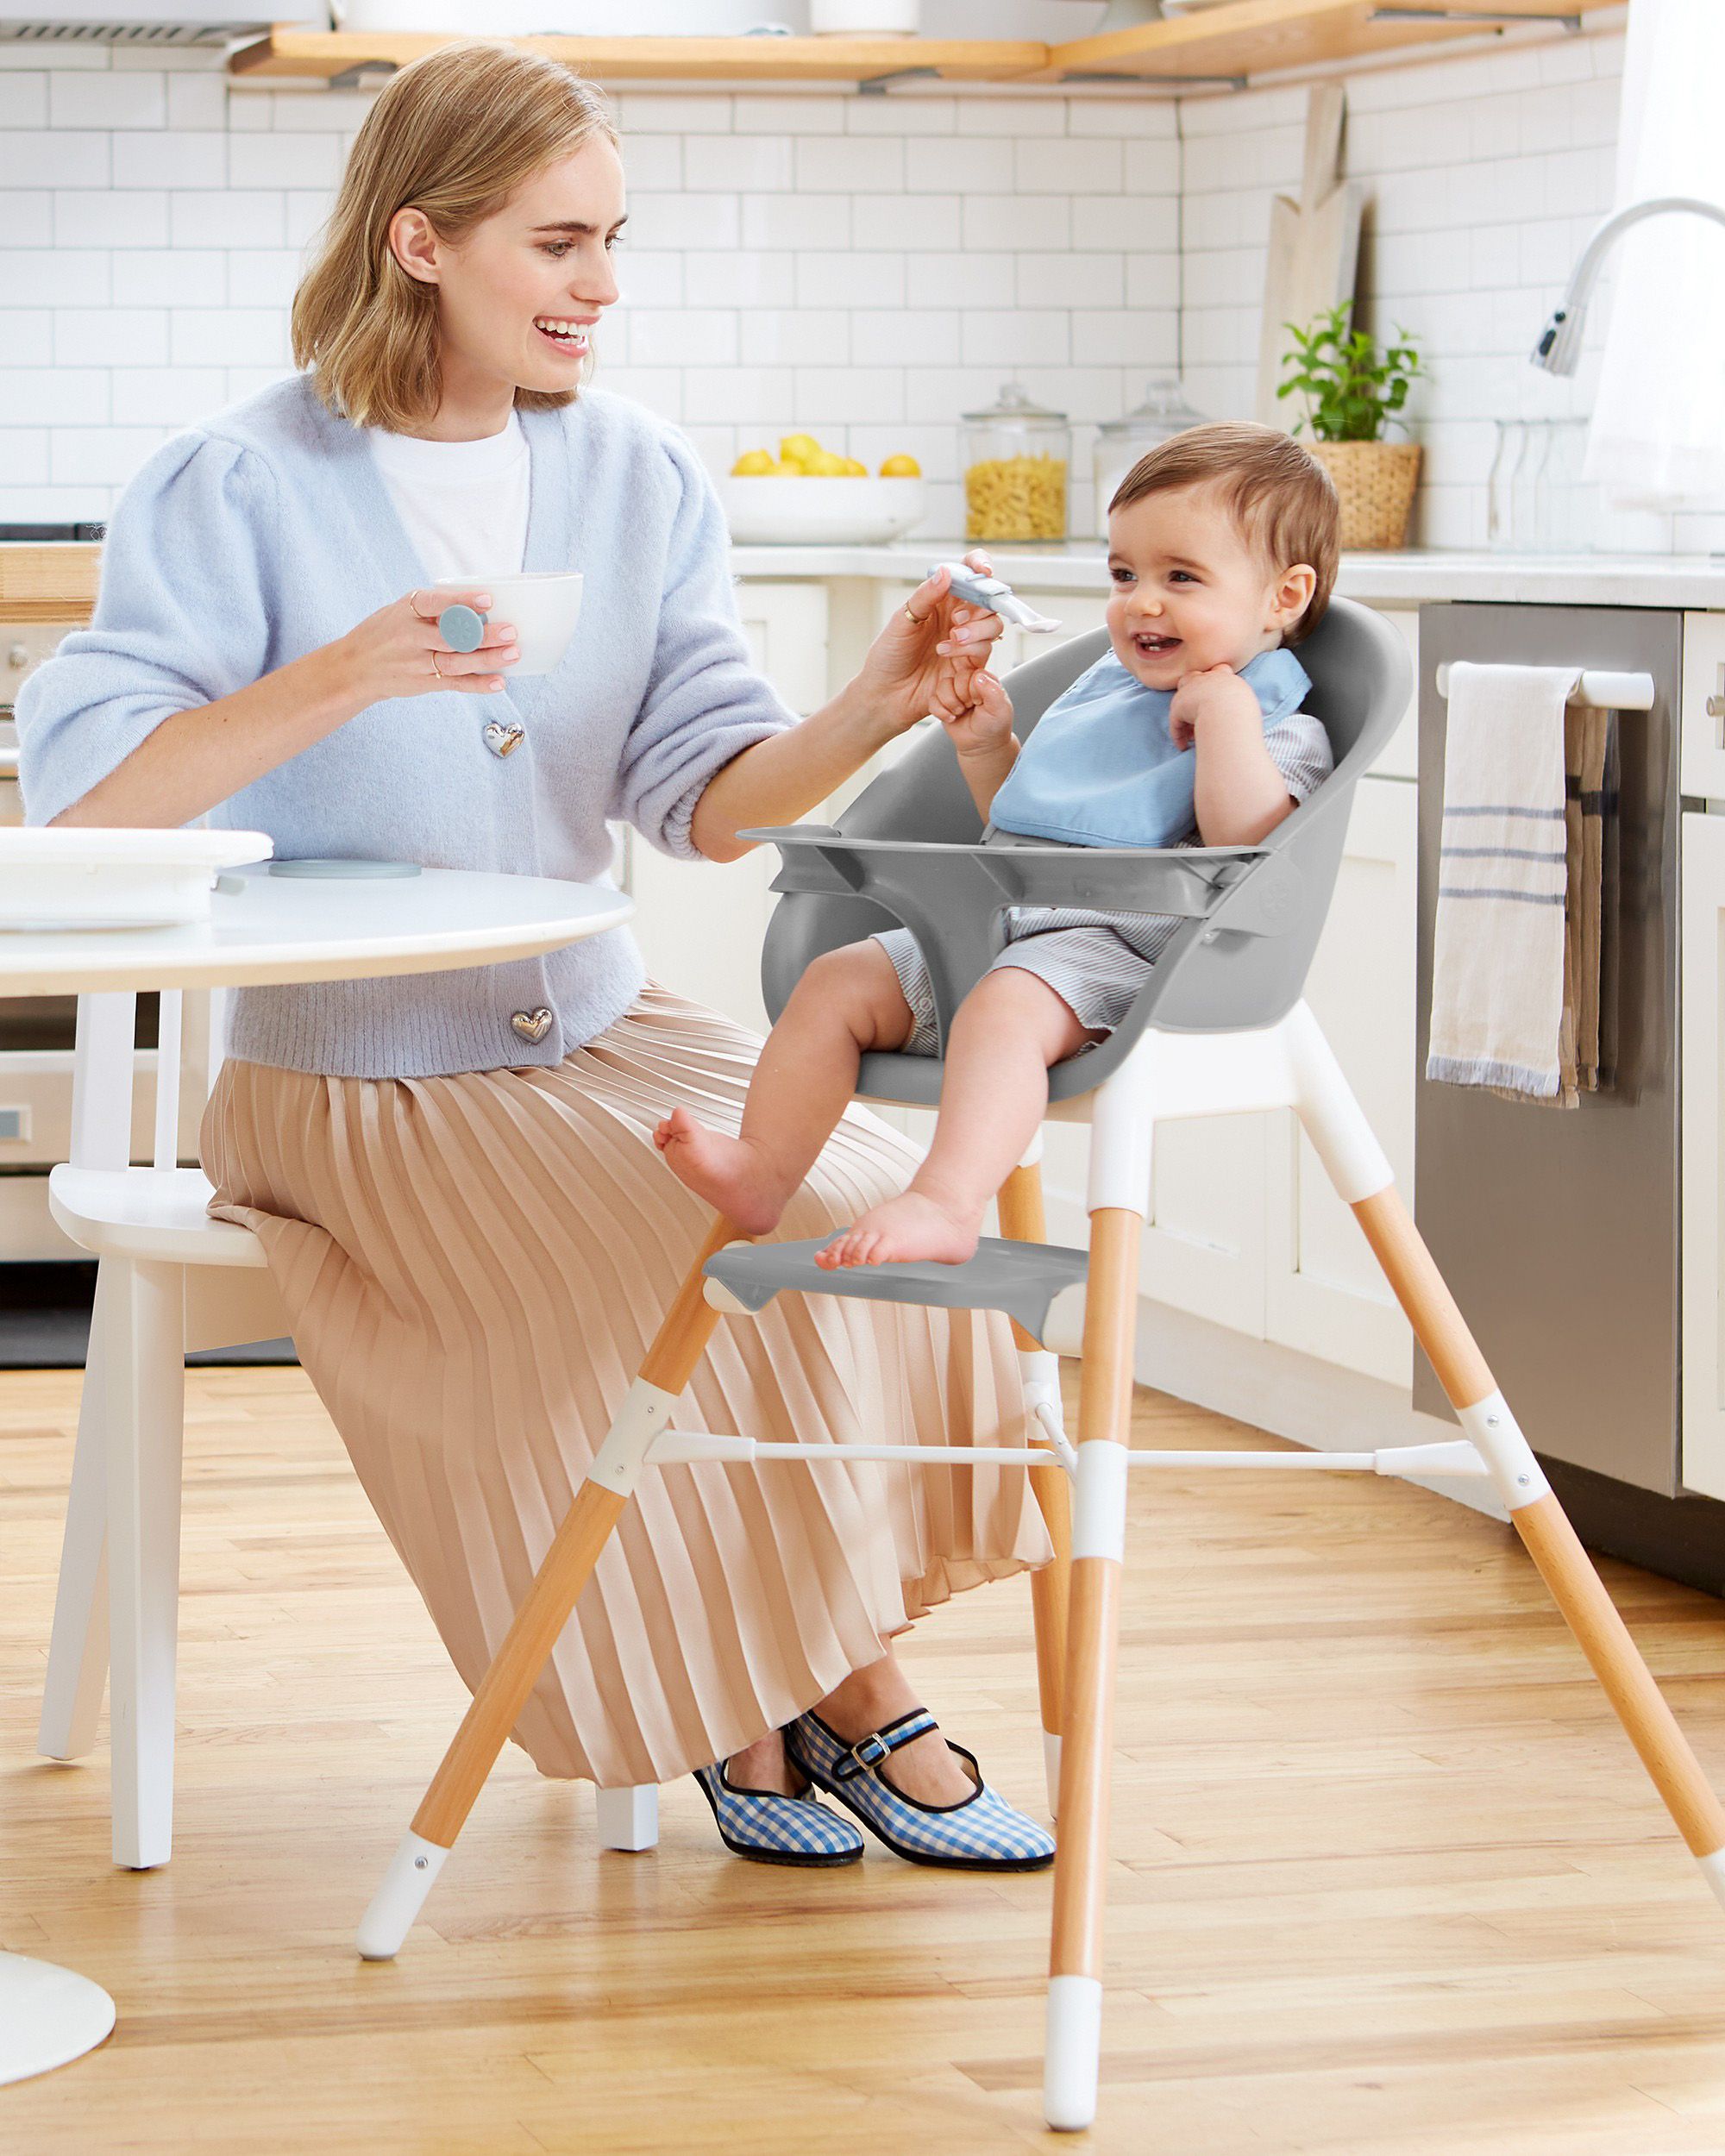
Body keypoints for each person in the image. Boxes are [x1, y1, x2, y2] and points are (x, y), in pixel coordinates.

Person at [16, 41, 1057, 1872]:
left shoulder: (638, 474)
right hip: (353, 1075)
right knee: (693, 1229)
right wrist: (349, 665)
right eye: (559, 242)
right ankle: (830, 1691)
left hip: (591, 1028)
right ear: (422, 241)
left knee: (870, 1184)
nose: (600, 286)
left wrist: (874, 703)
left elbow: (708, 802)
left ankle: (790, 1675)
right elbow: (86, 795)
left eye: (612, 243)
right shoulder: (238, 480)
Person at [657, 425, 1339, 1284]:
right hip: (993, 928)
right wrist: (989, 750)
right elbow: (1022, 833)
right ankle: (764, 1170)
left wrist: (1225, 717)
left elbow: (1245, 845)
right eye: (1123, 574)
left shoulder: (1279, 724)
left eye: (1181, 577)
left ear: (1283, 596)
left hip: (1120, 964)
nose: (1141, 603)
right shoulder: (1103, 699)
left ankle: (945, 1201)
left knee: (1004, 1007)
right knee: (836, 980)